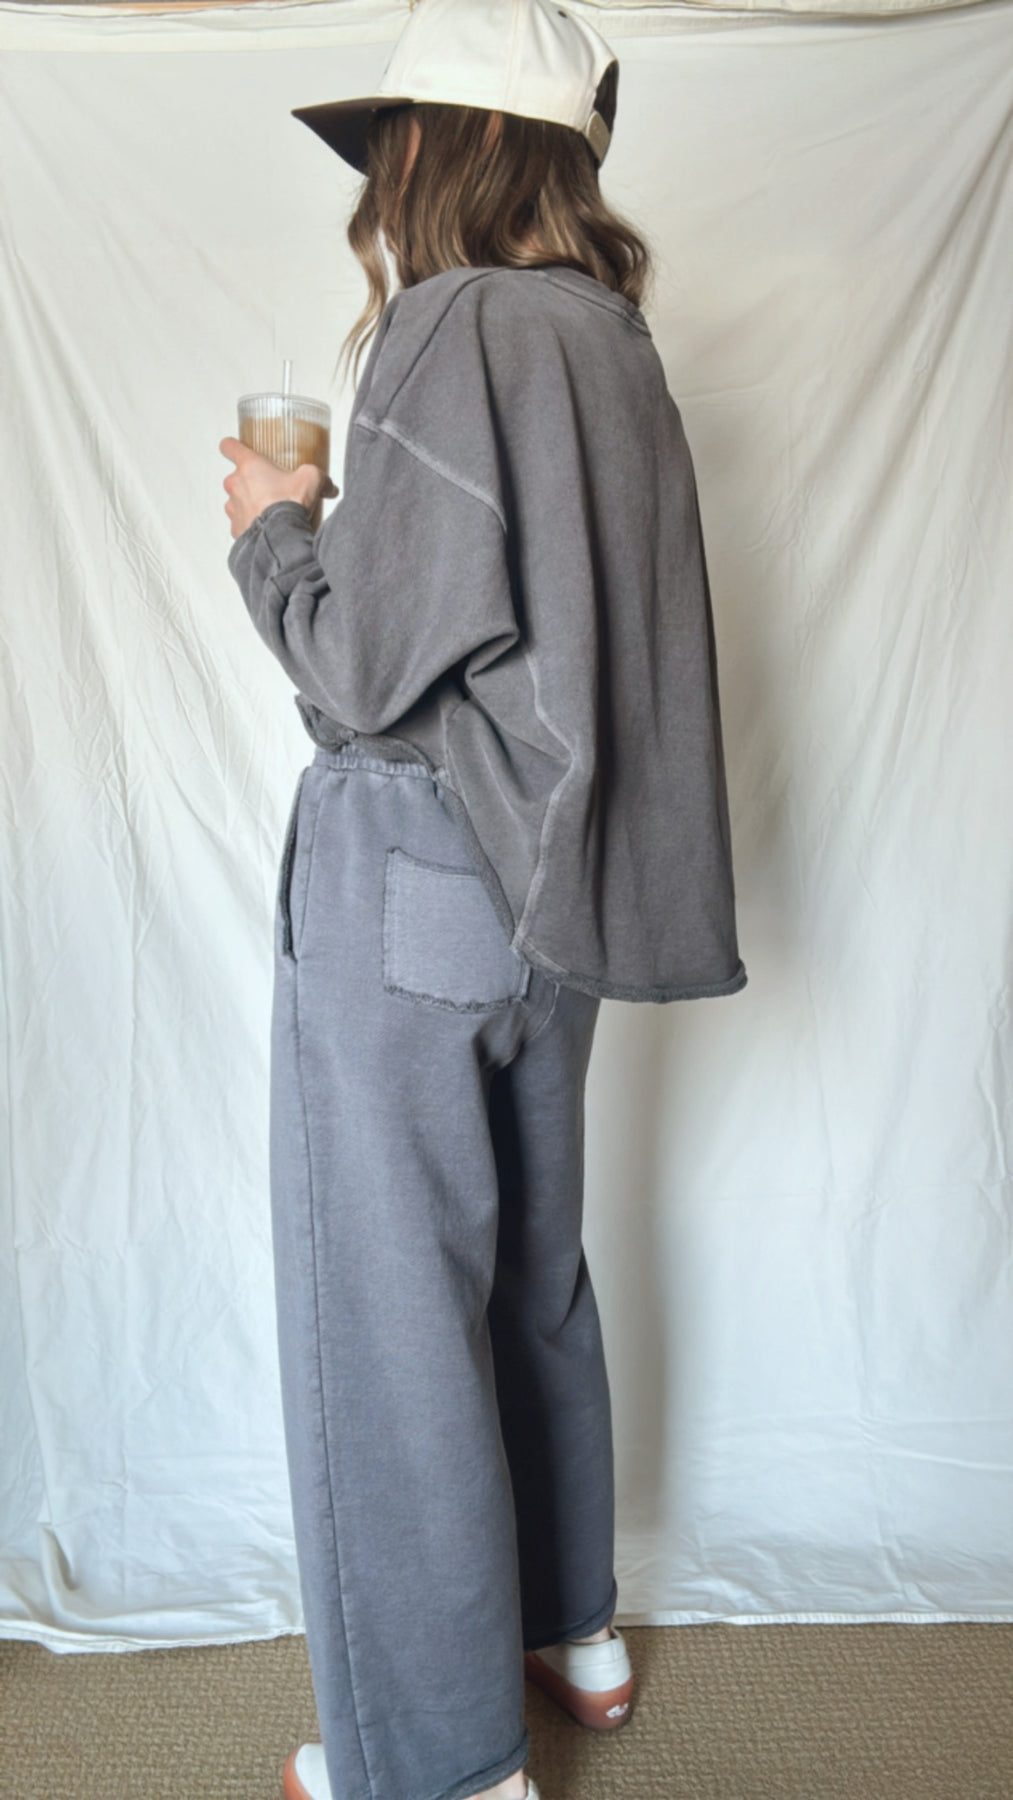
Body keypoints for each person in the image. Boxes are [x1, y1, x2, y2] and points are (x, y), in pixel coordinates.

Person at [219, 2, 746, 1797]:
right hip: (555, 889)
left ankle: (435, 1764)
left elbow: (366, 670)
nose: (379, 185)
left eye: (391, 147)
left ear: (440, 148)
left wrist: (274, 525)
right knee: (528, 1271)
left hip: (416, 872)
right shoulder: (613, 342)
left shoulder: (450, 325)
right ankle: (566, 1628)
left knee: (385, 1319)